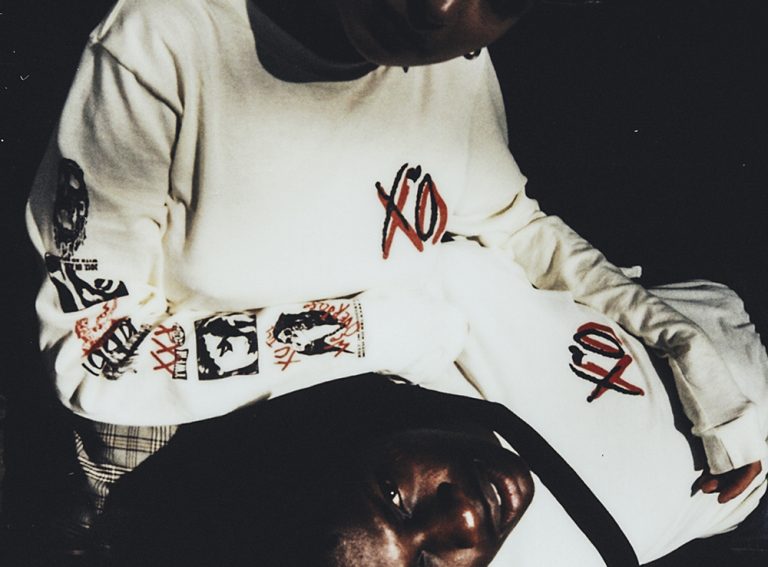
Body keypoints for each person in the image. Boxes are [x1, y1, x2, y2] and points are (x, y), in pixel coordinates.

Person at [24, 0, 765, 542]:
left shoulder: (454, 68)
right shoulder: (166, 38)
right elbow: (100, 357)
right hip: (186, 434)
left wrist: (686, 348)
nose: (437, 10)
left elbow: (515, 224)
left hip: (368, 425)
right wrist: (368, 331)